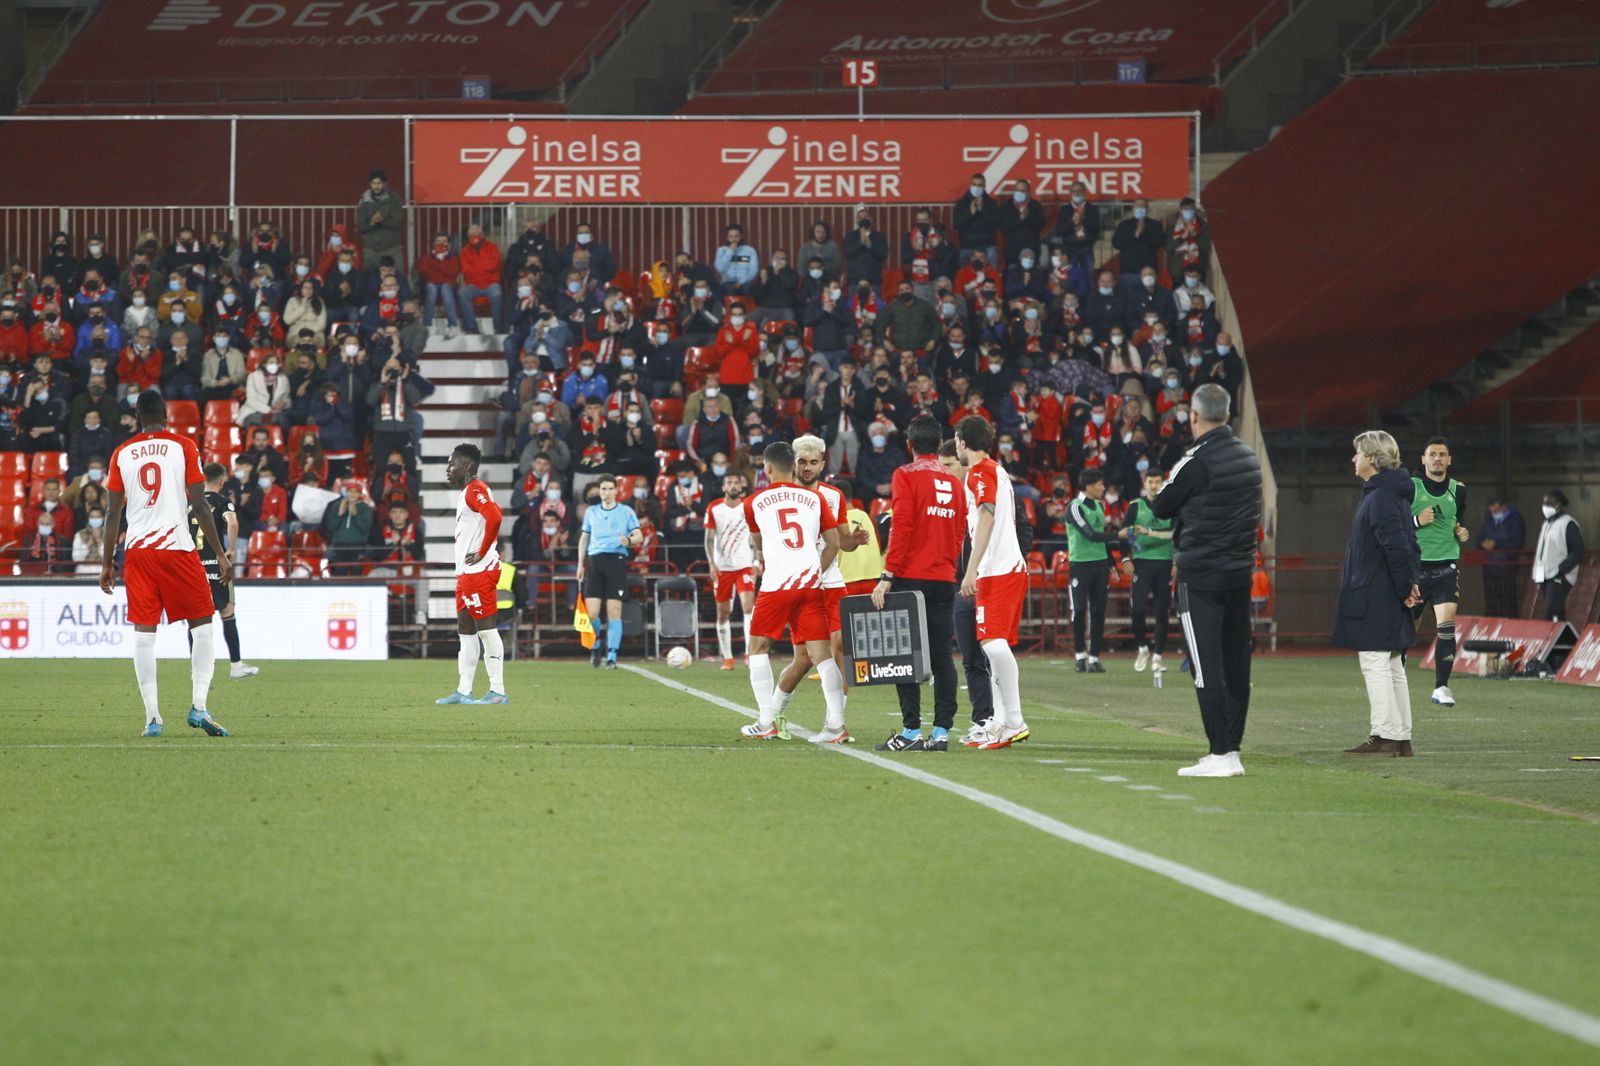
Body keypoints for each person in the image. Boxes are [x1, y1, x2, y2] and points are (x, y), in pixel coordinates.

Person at [99, 392, 233, 738]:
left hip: (139, 551)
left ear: (139, 417)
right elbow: (200, 504)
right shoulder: (183, 446)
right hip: (176, 547)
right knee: (202, 626)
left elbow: (113, 512)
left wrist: (106, 563)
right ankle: (199, 707)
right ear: (166, 415)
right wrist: (219, 552)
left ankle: (153, 718)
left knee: (144, 634)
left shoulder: (122, 453)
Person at [1150, 383, 1263, 778]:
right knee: (1236, 665)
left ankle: (1219, 753)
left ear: (1194, 417)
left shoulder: (1195, 460)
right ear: (1228, 414)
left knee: (1205, 666)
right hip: (1239, 574)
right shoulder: (1250, 458)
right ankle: (1231, 750)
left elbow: (1160, 505)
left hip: (1200, 575)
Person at [739, 442, 847, 742]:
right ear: (794, 466)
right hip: (811, 586)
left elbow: (759, 545)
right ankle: (836, 726)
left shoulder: (753, 503)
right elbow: (834, 543)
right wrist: (816, 571)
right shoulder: (816, 499)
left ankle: (765, 722)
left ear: (767, 468)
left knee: (758, 648)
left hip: (777, 585)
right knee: (822, 657)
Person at [1333, 430, 1422, 757]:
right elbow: (1406, 544)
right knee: (1392, 663)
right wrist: (1409, 585)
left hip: (1376, 593)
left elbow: (1396, 547)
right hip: (1386, 590)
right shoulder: (1390, 494)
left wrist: (1403, 587)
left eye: (1357, 453)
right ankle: (1400, 737)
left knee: (1375, 661)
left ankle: (1384, 734)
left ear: (1371, 458)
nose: (1353, 459)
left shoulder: (1380, 497)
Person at [772, 436, 868, 735]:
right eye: (802, 462)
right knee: (804, 660)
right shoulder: (780, 496)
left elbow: (841, 542)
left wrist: (855, 540)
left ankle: (834, 723)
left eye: (814, 462)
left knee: (838, 649)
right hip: (800, 587)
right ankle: (772, 715)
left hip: (831, 582)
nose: (808, 467)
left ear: (823, 464)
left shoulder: (833, 496)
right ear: (793, 463)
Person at [952, 415, 1032, 750]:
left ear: (962, 442)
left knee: (993, 644)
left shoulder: (980, 473)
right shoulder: (996, 471)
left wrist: (971, 569)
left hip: (998, 568)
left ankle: (1013, 719)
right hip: (1005, 566)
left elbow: (986, 517)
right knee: (994, 645)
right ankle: (1001, 720)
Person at [435, 444, 508, 704]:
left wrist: (483, 550)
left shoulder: (475, 490)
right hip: (466, 573)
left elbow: (496, 517)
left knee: (486, 630)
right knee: (465, 630)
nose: (448, 468)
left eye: (452, 463)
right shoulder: (469, 491)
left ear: (467, 466)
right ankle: (464, 691)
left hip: (479, 571)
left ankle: (497, 691)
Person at [1408, 437, 1470, 707]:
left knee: (1447, 626)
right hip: (1415, 569)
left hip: (1446, 566)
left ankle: (1442, 687)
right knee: (1407, 630)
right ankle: (1393, 675)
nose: (1437, 459)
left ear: (1449, 459)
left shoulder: (1459, 490)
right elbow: (1393, 525)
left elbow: (1459, 523)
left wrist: (1462, 531)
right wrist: (1415, 521)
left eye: (1442, 454)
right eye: (1432, 454)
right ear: (1423, 459)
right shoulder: (1410, 487)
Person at [188, 462, 260, 680]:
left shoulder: (191, 505)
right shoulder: (222, 502)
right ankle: (236, 666)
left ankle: (196, 669)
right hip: (216, 564)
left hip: (193, 567)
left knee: (197, 618)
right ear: (221, 481)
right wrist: (230, 549)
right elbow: (233, 523)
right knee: (227, 611)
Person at [576, 473, 642, 669]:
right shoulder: (591, 512)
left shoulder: (626, 512)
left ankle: (612, 655)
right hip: (594, 561)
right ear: (600, 491)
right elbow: (584, 538)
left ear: (616, 490)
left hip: (616, 560)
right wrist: (580, 563)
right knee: (593, 613)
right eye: (603, 489)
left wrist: (628, 541)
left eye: (610, 488)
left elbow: (639, 535)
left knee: (614, 611)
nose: (607, 492)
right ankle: (596, 646)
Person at [1066, 469, 1118, 672]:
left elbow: (1100, 536)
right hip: (1080, 565)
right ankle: (1080, 655)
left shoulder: (1098, 506)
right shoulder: (1075, 507)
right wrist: (1119, 535)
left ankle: (1094, 657)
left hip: (1100, 565)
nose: (1103, 488)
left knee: (1098, 611)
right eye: (1099, 484)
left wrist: (1111, 563)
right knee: (1079, 610)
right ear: (1088, 487)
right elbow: (1089, 534)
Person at [704, 471, 756, 670]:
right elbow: (708, 538)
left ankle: (749, 653)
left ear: (741, 486)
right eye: (729, 482)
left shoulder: (748, 507)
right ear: (723, 487)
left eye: (736, 482)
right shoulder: (714, 508)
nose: (733, 485)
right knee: (723, 612)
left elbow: (755, 535)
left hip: (744, 564)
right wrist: (711, 563)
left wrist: (757, 561)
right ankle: (727, 657)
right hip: (722, 567)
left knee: (748, 608)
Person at [1126, 468, 1175, 675]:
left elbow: (1176, 534)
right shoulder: (1135, 507)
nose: (1154, 486)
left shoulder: (1172, 506)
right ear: (1144, 484)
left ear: (1163, 483)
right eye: (1150, 482)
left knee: (1162, 611)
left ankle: (1158, 656)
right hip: (1142, 563)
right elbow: (1126, 531)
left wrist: (1176, 562)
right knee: (1137, 609)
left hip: (1164, 563)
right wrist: (1127, 557)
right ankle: (1143, 648)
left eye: (1157, 482)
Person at [1532, 489, 1585, 622]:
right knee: (1558, 611)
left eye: (1549, 502)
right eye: (1544, 502)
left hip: (1559, 575)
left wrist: (1562, 569)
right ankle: (1566, 641)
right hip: (1545, 575)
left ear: (1559, 504)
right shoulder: (1547, 524)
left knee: (1550, 612)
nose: (1545, 506)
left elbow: (1578, 551)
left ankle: (1548, 640)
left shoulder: (1568, 524)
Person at [1477, 495, 1525, 617]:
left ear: (1504, 506)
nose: (1493, 511)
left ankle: (1509, 627)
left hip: (1507, 566)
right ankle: (1491, 628)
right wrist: (1483, 544)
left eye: (1496, 509)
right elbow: (1479, 540)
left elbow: (1518, 542)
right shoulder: (1488, 520)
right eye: (1491, 508)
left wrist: (1497, 544)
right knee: (1491, 600)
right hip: (1490, 566)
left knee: (1507, 600)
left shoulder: (1515, 520)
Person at [356, 169, 404, 266]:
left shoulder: (394, 198)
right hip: (371, 249)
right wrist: (372, 223)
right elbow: (360, 226)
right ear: (370, 184)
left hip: (392, 248)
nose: (376, 186)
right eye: (373, 183)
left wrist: (382, 221)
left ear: (385, 184)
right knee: (369, 279)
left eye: (379, 183)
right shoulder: (364, 200)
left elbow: (397, 223)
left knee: (398, 278)